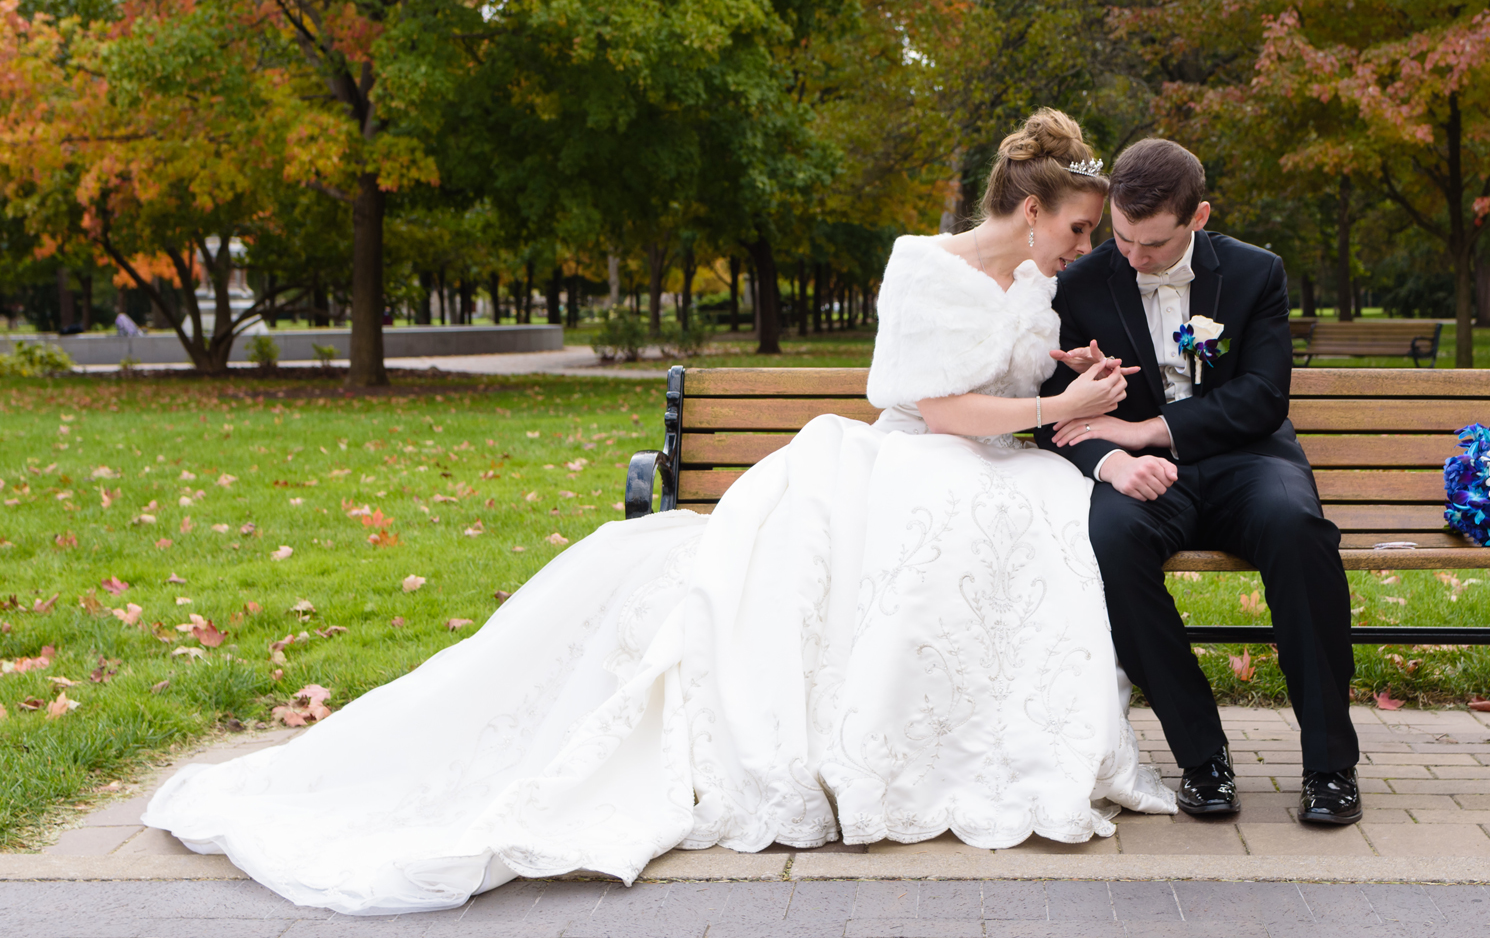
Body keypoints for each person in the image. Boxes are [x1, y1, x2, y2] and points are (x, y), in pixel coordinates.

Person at [144, 109, 1174, 916]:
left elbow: (1005, 367)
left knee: (1035, 512)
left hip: (987, 464)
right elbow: (929, 400)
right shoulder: (920, 263)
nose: (1084, 250)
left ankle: (989, 747)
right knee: (957, 527)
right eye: (1079, 229)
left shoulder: (1035, 285)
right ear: (1031, 210)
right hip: (915, 455)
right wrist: (1057, 407)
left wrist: (1061, 363)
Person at [1037, 139, 1362, 827]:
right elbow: (1053, 421)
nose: (1132, 257)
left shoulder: (1256, 273)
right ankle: (1201, 757)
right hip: (1146, 479)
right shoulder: (1083, 284)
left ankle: (1330, 763)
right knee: (1111, 539)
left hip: (1251, 462)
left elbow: (1262, 398)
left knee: (1299, 531)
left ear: (1199, 216)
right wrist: (1100, 415)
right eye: (1121, 236)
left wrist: (1145, 427)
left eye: (1151, 244)